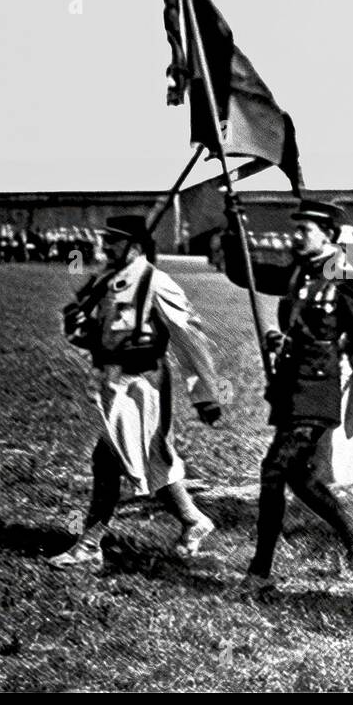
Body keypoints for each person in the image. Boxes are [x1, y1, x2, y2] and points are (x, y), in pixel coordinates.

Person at [222, 198, 353, 599]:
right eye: (296, 229)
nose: (296, 236)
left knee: (274, 471)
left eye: (304, 230)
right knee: (298, 475)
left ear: (328, 236)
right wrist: (233, 225)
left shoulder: (343, 278)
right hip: (290, 388)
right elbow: (245, 272)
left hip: (318, 390)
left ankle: (260, 573)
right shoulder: (300, 271)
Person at [51, 215, 223, 570]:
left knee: (108, 458)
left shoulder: (157, 283)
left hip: (144, 383)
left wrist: (205, 395)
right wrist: (77, 325)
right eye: (106, 238)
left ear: (136, 246)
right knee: (149, 458)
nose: (105, 246)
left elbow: (192, 339)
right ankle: (194, 520)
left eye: (114, 240)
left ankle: (88, 545)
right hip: (113, 381)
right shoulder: (106, 281)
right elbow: (96, 335)